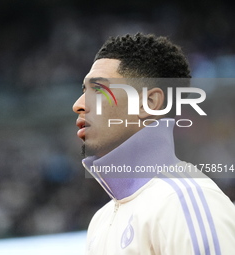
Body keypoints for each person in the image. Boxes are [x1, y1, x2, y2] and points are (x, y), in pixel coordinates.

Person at [72, 33, 235, 254]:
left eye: (98, 89)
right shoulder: (100, 221)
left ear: (148, 103)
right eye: (84, 90)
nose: (78, 105)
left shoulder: (184, 199)